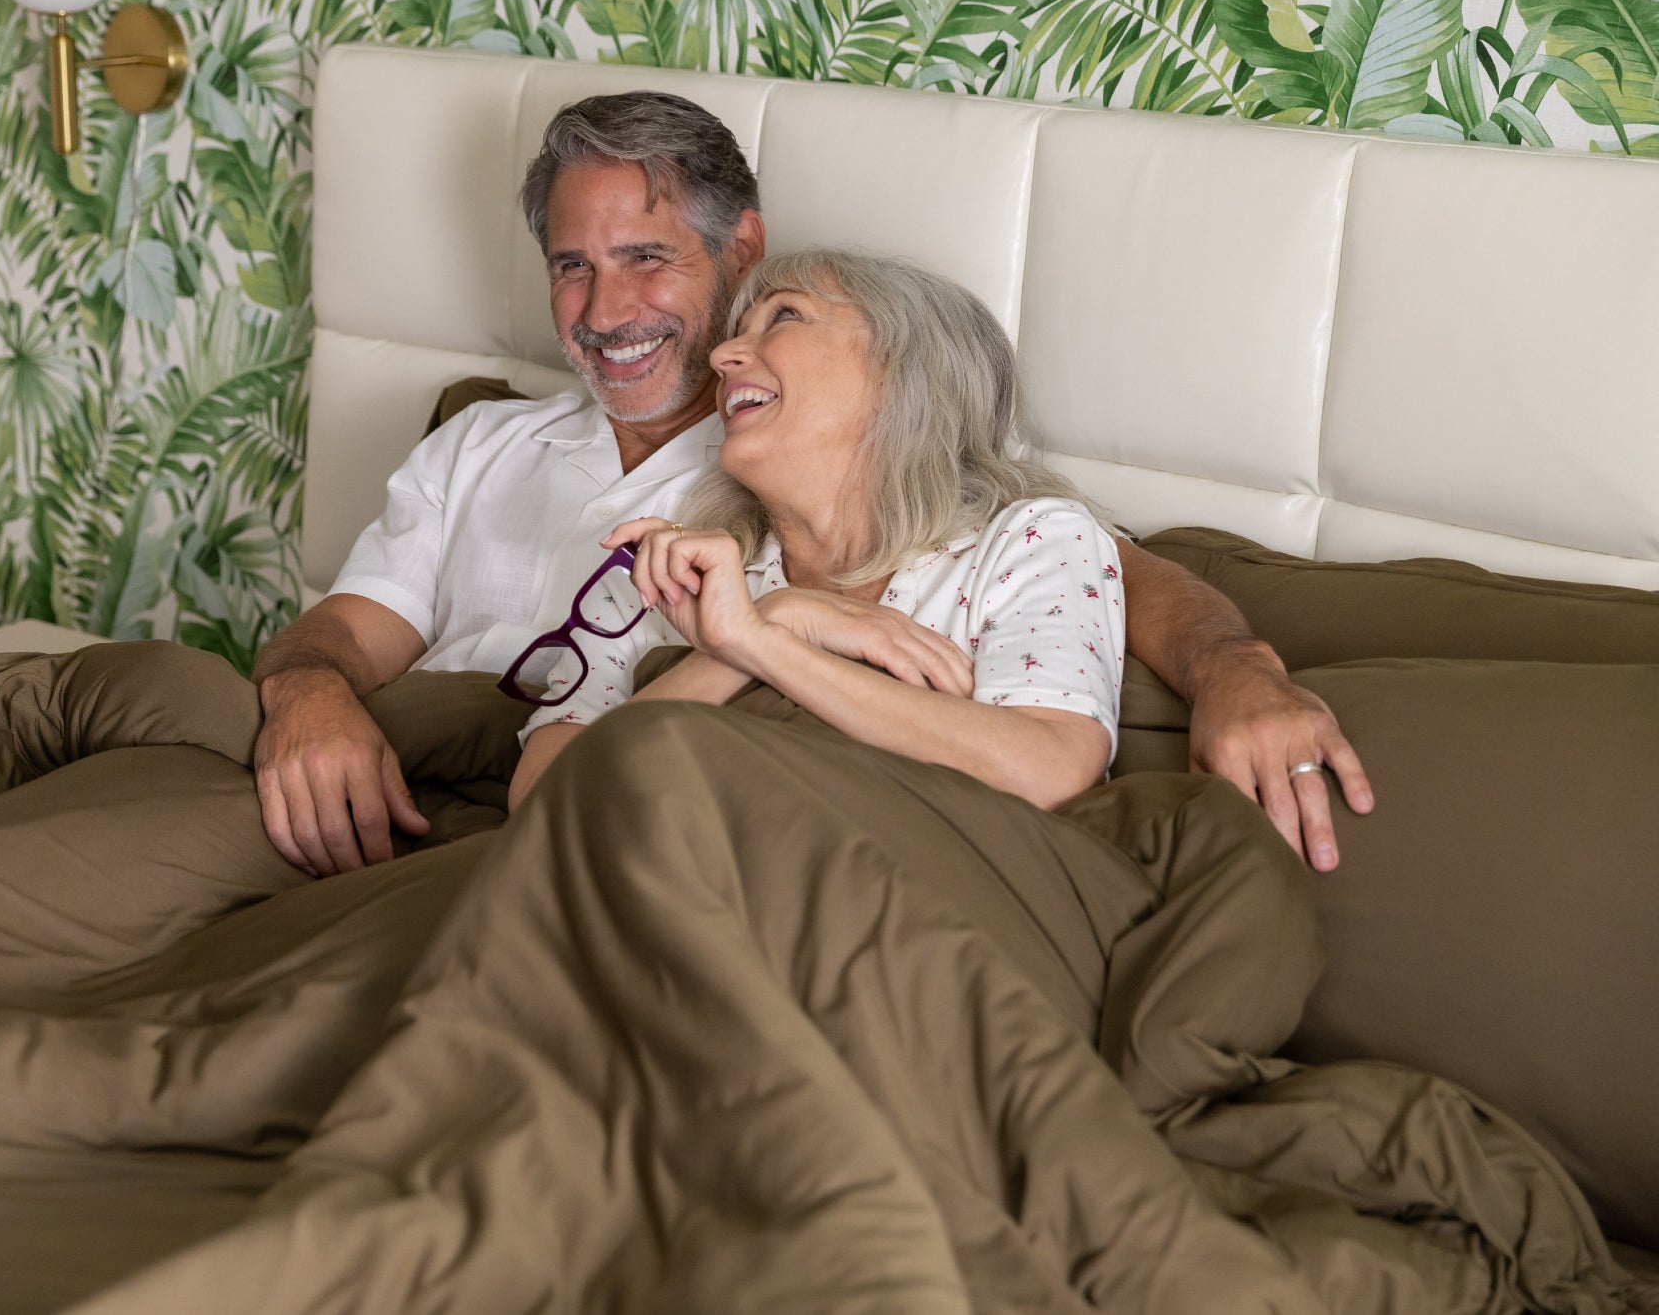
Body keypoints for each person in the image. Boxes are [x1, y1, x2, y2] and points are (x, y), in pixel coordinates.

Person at [250, 91, 1372, 877]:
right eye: (571, 267)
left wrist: (1237, 669)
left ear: (739, 251)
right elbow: (387, 671)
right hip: (441, 783)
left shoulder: (855, 499)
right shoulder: (594, 486)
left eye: (645, 258)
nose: (600, 313)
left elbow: (1101, 585)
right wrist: (305, 697)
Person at [508, 249, 1120, 809]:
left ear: (903, 370)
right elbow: (538, 806)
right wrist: (761, 632)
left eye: (785, 317)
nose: (722, 358)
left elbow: (1052, 769)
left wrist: (763, 639)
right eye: (734, 335)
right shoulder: (663, 572)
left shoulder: (1030, 541)